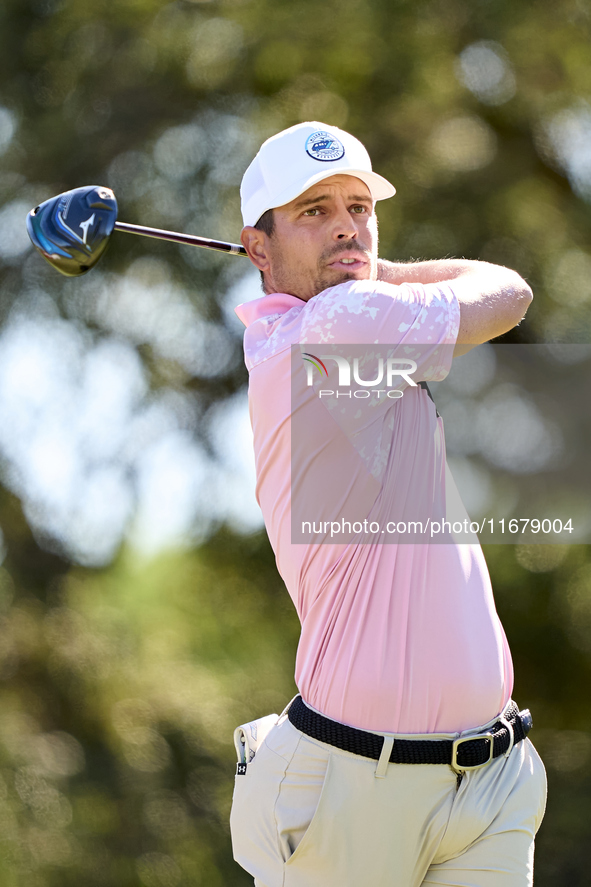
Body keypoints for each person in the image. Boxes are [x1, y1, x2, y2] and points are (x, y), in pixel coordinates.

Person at [230, 121, 547, 887]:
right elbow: (507, 292)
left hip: (490, 774)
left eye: (358, 208)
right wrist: (380, 274)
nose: (346, 225)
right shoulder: (336, 326)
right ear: (257, 247)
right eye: (313, 211)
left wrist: (366, 269)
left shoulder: (337, 321)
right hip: (354, 784)